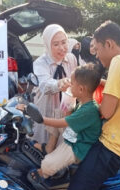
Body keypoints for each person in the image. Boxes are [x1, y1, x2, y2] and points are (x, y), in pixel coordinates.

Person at [68, 21, 120, 190]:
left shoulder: (119, 62)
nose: (97, 56)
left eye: (97, 49)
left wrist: (84, 108)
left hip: (111, 146)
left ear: (109, 44)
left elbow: (106, 112)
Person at [21, 64, 102, 189]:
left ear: (81, 89)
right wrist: (69, 98)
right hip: (74, 135)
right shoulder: (83, 102)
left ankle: (43, 174)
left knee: (47, 164)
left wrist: (40, 119)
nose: (69, 85)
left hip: (77, 147)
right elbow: (66, 114)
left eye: (72, 83)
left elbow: (62, 123)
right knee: (58, 112)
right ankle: (49, 147)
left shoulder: (90, 110)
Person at [32, 24, 77, 155]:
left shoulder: (71, 58)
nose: (62, 48)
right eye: (56, 44)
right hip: (47, 105)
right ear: (47, 45)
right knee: (44, 140)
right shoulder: (40, 63)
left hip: (66, 106)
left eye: (64, 42)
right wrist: (59, 84)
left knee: (63, 142)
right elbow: (45, 84)